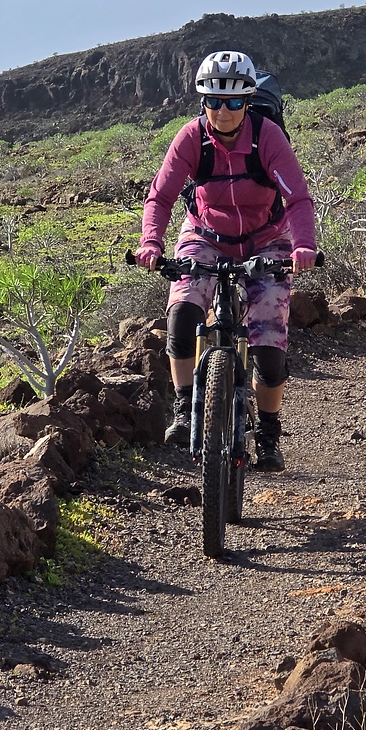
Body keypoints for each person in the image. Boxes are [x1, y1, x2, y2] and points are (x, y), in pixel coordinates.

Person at [136, 50, 318, 471]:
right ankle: (185, 407)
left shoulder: (268, 136)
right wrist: (151, 243)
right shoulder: (191, 138)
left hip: (266, 240)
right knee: (182, 314)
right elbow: (160, 197)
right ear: (203, 101)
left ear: (248, 102)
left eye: (234, 102)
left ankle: (269, 435)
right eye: (214, 101)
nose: (223, 111)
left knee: (269, 346)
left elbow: (297, 198)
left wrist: (303, 246)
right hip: (205, 234)